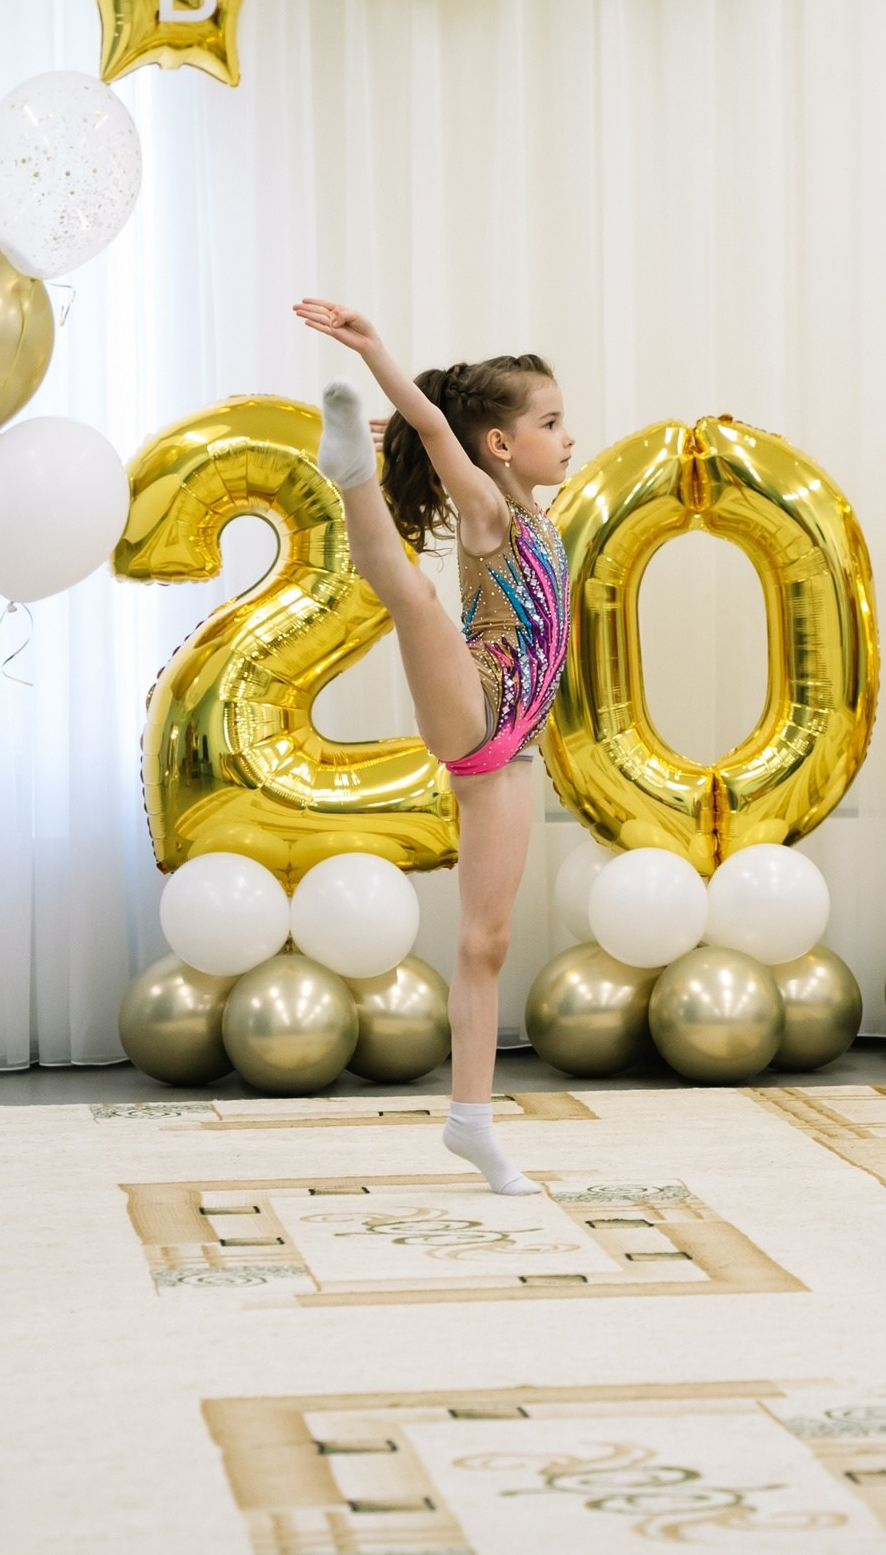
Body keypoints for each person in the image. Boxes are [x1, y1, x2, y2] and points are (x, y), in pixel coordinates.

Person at [295, 299, 574, 1196]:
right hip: (479, 696)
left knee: (485, 942)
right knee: (413, 598)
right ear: (497, 445)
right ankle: (349, 476)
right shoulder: (491, 508)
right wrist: (377, 352)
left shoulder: (540, 518)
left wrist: (417, 421)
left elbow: (428, 424)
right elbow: (427, 419)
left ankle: (471, 1125)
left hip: (516, 747)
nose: (568, 437)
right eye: (551, 422)